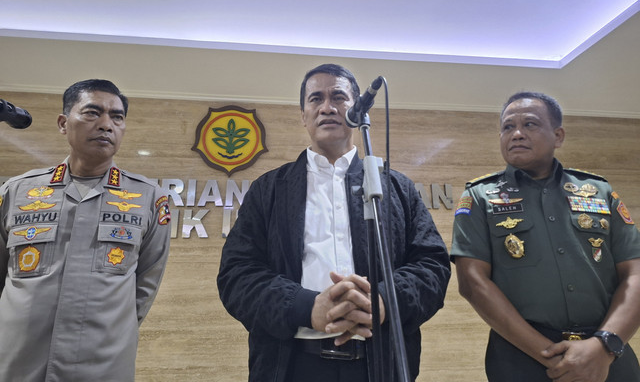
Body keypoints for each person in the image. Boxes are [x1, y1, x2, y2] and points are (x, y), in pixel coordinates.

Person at [217, 63, 450, 382]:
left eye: (338, 97)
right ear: (303, 115)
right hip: (292, 365)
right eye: (315, 99)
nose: (327, 107)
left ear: (358, 110)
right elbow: (237, 275)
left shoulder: (396, 187)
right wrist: (305, 306)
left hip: (379, 365)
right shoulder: (270, 189)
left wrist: (383, 301)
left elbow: (432, 266)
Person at [451, 91, 640, 382]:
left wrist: (603, 347)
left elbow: (634, 274)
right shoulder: (480, 196)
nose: (516, 134)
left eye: (529, 124)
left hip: (608, 354)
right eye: (507, 127)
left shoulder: (599, 192)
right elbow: (473, 284)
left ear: (558, 135)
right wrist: (553, 356)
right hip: (523, 358)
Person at [0, 79, 171, 382]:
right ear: (64, 123)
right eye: (93, 113)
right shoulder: (17, 192)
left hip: (101, 364)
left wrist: (107, 331)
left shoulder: (148, 198)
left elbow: (144, 285)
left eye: (117, 117)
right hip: (18, 360)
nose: (107, 124)